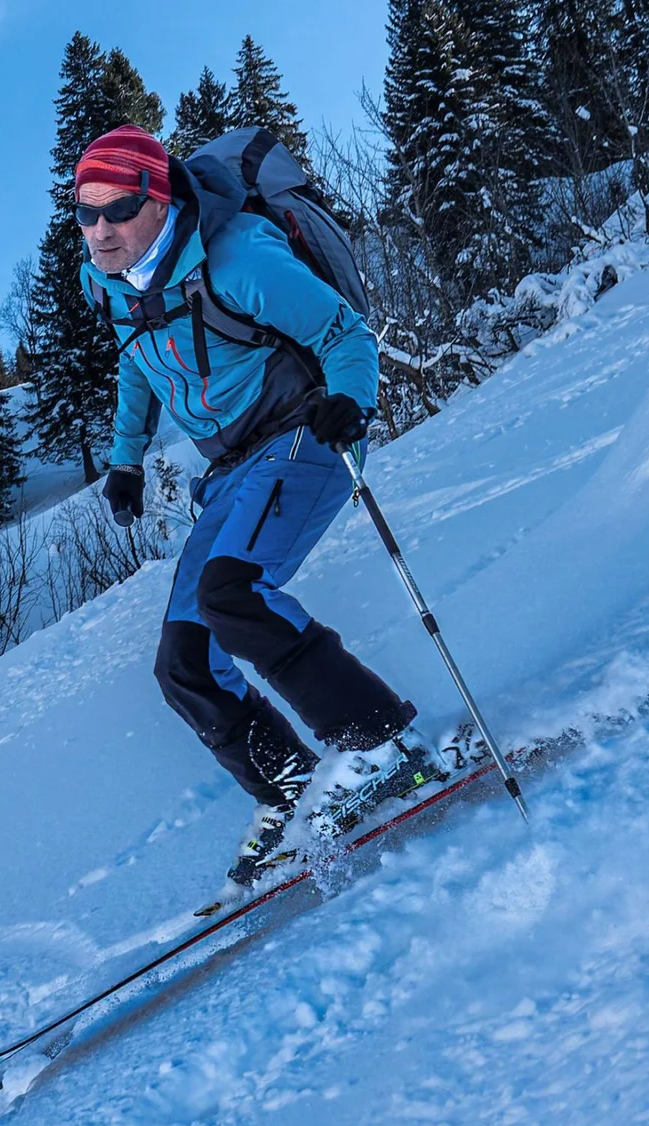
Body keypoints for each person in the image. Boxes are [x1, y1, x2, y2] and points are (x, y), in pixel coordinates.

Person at [74, 125, 430, 882]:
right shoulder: (106, 280)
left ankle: (379, 745)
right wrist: (126, 461)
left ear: (159, 198)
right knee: (185, 661)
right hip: (232, 465)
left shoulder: (239, 258)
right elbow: (136, 362)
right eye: (86, 212)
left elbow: (343, 330)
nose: (100, 230)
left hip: (309, 430)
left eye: (119, 208)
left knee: (233, 594)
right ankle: (297, 790)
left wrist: (351, 402)